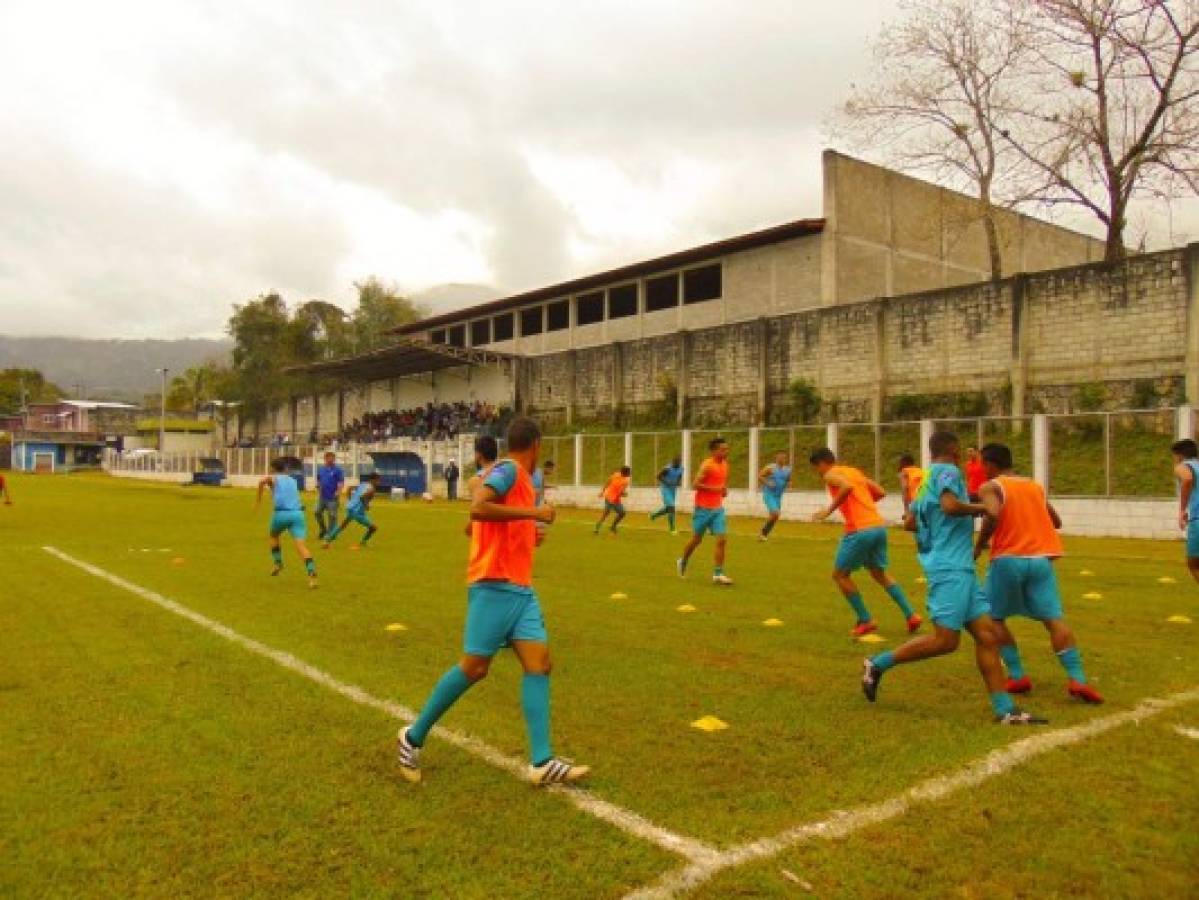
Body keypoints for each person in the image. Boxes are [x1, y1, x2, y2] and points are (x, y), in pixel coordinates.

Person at [396, 417, 588, 786]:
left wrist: (529, 533)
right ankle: (412, 737)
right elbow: (479, 507)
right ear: (535, 444)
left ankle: (542, 762)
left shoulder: (522, 481)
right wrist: (533, 514)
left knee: (539, 664)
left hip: (519, 589)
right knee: (473, 668)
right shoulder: (509, 470)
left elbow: (490, 524)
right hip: (494, 585)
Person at [861, 432, 1046, 725]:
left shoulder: (924, 480)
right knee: (945, 641)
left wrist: (946, 522)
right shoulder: (948, 471)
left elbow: (910, 522)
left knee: (988, 636)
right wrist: (983, 508)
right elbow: (948, 505)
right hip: (950, 569)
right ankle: (877, 664)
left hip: (956, 567)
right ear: (954, 450)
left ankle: (1005, 709)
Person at [974, 442, 1103, 704]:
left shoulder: (991, 486)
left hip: (1009, 558)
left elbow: (993, 514)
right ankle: (1077, 678)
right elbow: (1056, 522)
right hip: (1041, 560)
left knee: (993, 618)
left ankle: (1018, 674)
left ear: (989, 464)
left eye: (981, 464)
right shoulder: (1034, 486)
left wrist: (978, 546)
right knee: (1054, 620)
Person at [809, 448, 921, 636]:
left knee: (840, 575)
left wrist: (827, 511)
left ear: (822, 463)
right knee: (879, 574)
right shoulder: (854, 471)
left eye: (816, 468)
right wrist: (863, 503)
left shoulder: (830, 474)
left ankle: (866, 619)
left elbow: (846, 487)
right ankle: (911, 615)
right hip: (877, 526)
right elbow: (880, 492)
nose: (818, 473)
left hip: (859, 529)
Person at [678, 437, 733, 585]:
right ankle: (683, 560)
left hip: (717, 508)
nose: (726, 452)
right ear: (714, 451)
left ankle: (718, 574)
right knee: (697, 540)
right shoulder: (707, 465)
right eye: (723, 449)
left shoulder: (725, 465)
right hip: (702, 509)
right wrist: (715, 489)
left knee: (722, 539)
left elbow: (721, 483)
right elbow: (695, 484)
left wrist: (723, 490)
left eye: (726, 449)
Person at [256, 458, 317, 588]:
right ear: (285, 469)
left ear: (273, 468)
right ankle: (311, 575)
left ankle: (278, 563)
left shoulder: (274, 478)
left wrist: (258, 499)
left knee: (273, 535)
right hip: (298, 514)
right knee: (301, 546)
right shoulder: (293, 480)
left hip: (281, 514)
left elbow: (262, 481)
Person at [323, 472, 380, 549]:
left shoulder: (363, 484)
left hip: (350, 508)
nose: (379, 483)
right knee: (373, 528)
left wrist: (350, 500)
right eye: (378, 480)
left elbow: (349, 488)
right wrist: (366, 506)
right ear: (373, 480)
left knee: (342, 525)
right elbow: (362, 497)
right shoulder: (372, 489)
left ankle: (327, 541)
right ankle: (363, 542)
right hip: (357, 512)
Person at [1171, 439, 1199, 586]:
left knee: (1193, 564)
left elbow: (1187, 479)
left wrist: (1182, 510)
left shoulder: (1183, 466)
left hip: (1198, 519)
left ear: (1180, 455)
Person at [757, 450, 792, 541]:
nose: (782, 459)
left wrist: (788, 484)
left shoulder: (787, 470)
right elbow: (760, 476)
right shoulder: (770, 468)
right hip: (769, 494)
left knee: (775, 516)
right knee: (775, 513)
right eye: (780, 457)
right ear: (776, 458)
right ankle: (763, 532)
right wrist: (768, 483)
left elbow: (788, 479)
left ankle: (764, 534)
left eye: (784, 458)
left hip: (778, 496)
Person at [314, 451, 345, 541]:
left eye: (332, 458)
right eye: (329, 458)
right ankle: (323, 529)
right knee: (317, 512)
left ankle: (330, 533)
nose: (330, 460)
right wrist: (318, 486)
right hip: (322, 496)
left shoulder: (337, 470)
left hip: (332, 497)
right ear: (325, 459)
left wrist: (338, 491)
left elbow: (341, 482)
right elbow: (319, 479)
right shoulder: (321, 469)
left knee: (332, 515)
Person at [650, 455, 684, 533]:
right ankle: (672, 529)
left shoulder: (681, 468)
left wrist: (678, 482)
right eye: (676, 463)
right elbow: (658, 476)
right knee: (671, 507)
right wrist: (667, 482)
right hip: (665, 489)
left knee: (669, 508)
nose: (677, 464)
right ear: (673, 462)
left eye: (679, 462)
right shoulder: (667, 469)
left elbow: (679, 476)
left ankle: (654, 515)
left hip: (673, 489)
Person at [594, 465, 631, 534]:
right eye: (629, 472)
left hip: (609, 498)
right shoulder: (625, 482)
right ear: (625, 473)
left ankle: (600, 528)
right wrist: (625, 494)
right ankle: (610, 527)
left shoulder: (616, 474)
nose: (630, 473)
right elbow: (620, 492)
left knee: (608, 514)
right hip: (613, 500)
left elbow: (608, 482)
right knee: (620, 513)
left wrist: (603, 491)